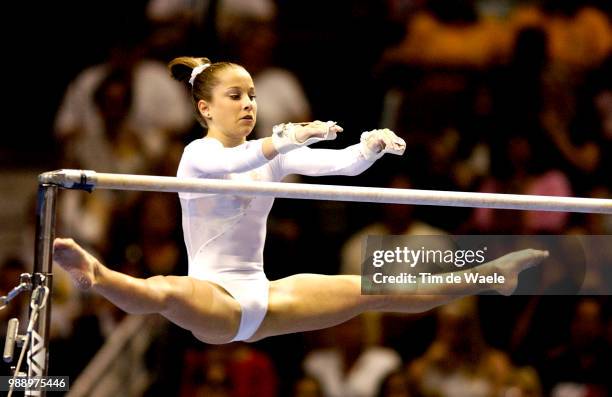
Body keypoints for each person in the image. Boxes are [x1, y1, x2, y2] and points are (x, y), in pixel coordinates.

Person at [52, 56, 549, 345]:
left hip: (267, 297)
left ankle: (489, 275)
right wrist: (286, 141)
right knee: (164, 290)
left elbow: (340, 167)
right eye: (234, 96)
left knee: (382, 290)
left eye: (251, 94)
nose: (248, 103)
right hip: (215, 299)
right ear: (205, 107)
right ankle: (97, 276)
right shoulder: (196, 154)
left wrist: (368, 147)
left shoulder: (269, 153)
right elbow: (233, 167)